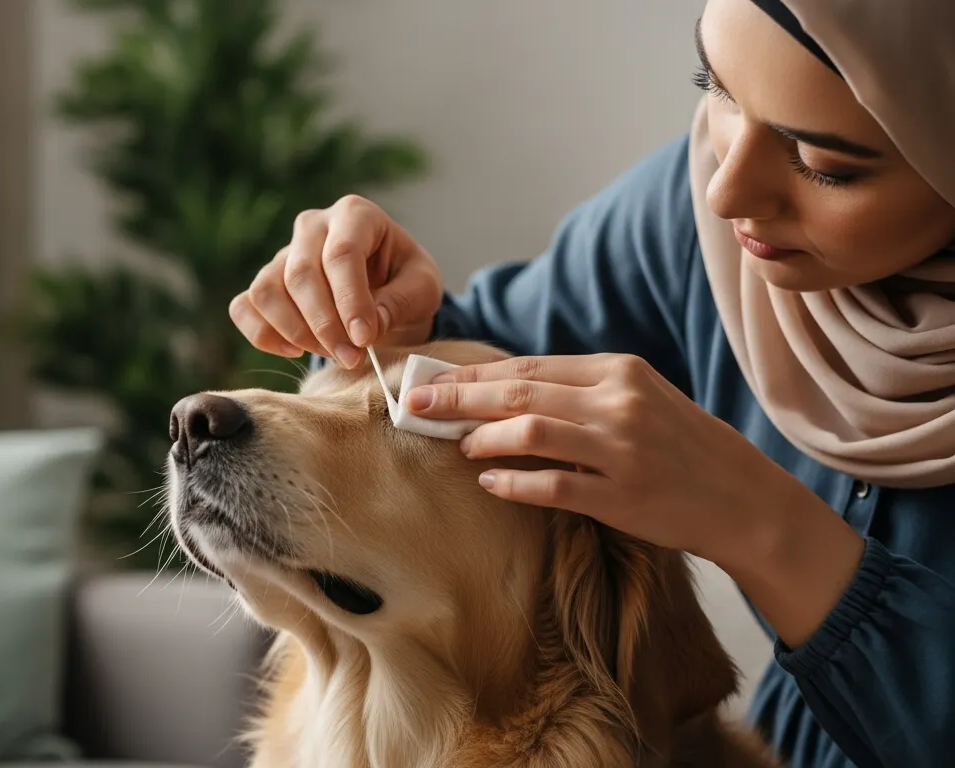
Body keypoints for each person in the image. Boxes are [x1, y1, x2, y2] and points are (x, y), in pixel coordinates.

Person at [226, 1, 955, 766]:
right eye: (719, 88)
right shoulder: (689, 224)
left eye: (824, 163)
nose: (723, 190)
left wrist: (767, 528)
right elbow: (463, 390)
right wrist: (373, 317)